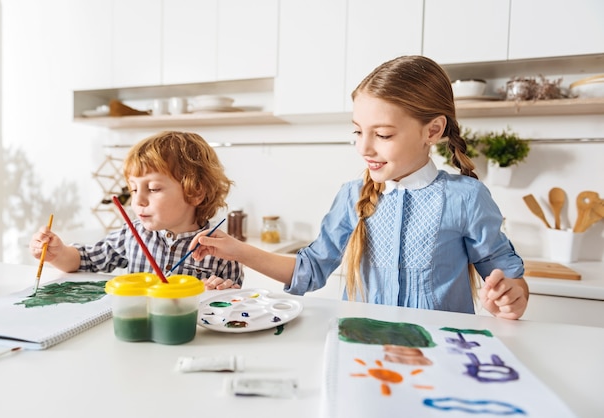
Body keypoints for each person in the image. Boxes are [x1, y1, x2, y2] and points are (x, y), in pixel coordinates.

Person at [189, 55, 529, 319]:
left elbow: (509, 279)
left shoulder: (465, 198)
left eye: (382, 135)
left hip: (439, 360)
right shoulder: (353, 195)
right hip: (363, 355)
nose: (364, 148)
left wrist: (511, 297)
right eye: (357, 131)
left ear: (433, 131)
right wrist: (237, 249)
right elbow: (310, 270)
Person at [29, 131, 243, 290]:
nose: (137, 200)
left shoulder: (224, 252)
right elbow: (84, 260)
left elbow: (235, 307)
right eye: (133, 189)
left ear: (195, 192)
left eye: (153, 189)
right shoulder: (132, 234)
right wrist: (58, 254)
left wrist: (217, 293)